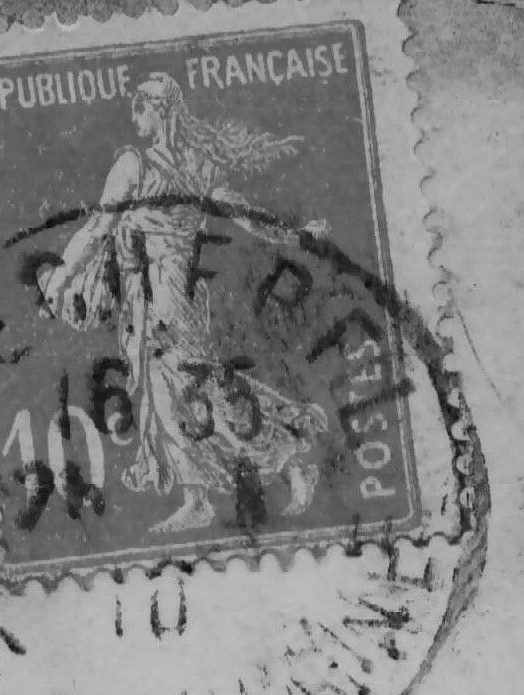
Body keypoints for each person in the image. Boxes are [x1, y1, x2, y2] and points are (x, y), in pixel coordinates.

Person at [37, 73, 329, 536]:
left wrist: (58, 281)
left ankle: (276, 458)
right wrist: (295, 236)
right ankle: (239, 478)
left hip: (162, 295)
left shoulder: (133, 164)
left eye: (140, 108)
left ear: (160, 110)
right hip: (180, 292)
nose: (134, 118)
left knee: (181, 391)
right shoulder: (198, 165)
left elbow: (96, 229)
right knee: (188, 390)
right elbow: (246, 216)